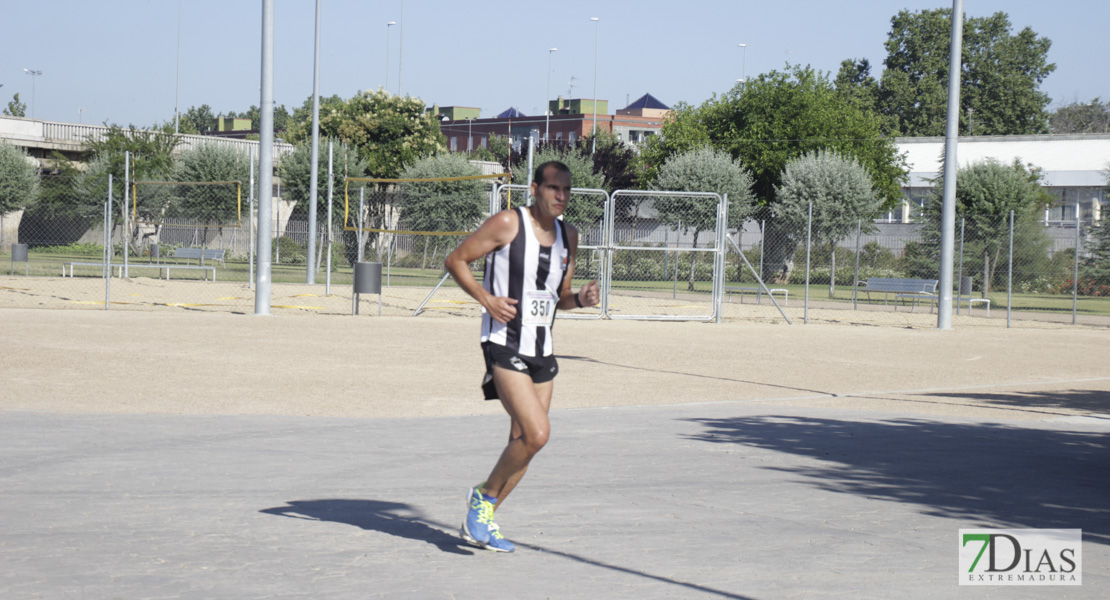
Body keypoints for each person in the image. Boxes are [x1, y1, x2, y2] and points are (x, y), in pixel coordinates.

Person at [444, 160, 599, 553]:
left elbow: (559, 296)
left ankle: (483, 517)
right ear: (535, 189)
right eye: (553, 189)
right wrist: (487, 300)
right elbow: (456, 260)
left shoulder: (570, 236)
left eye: (566, 190)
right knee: (538, 433)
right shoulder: (508, 224)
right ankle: (483, 498)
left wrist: (579, 299)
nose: (561, 197)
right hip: (504, 342)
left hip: (542, 349)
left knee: (524, 442)